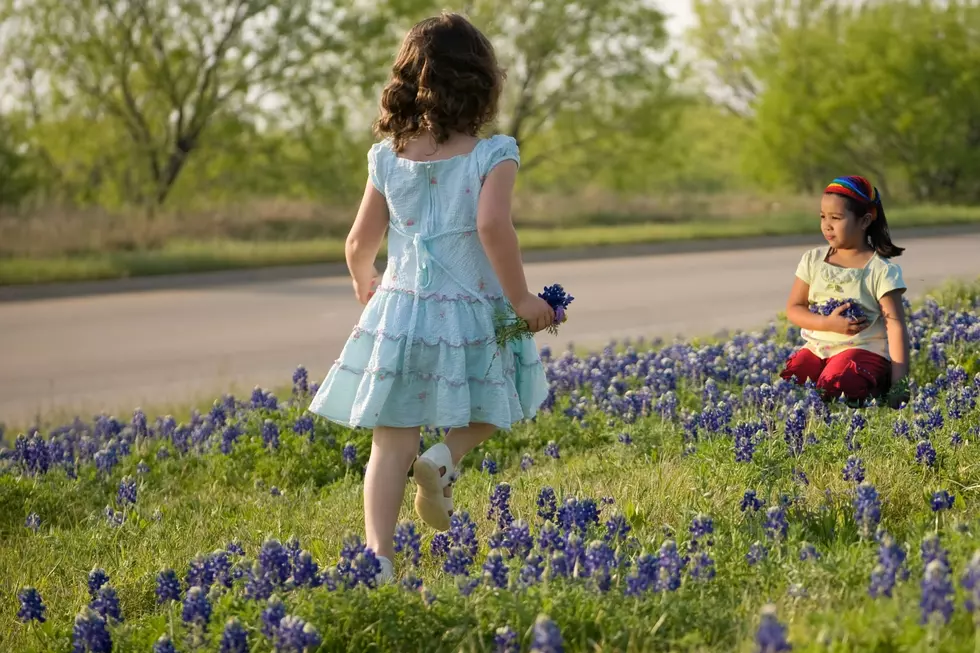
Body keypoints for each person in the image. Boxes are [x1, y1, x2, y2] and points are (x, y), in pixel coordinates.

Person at [307, 13, 554, 584]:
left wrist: (365, 285)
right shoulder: (493, 154)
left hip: (398, 308)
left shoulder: (387, 157)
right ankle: (445, 458)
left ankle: (378, 559)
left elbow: (357, 243)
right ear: (481, 82)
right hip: (466, 308)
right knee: (504, 394)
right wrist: (519, 298)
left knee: (389, 442)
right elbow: (494, 228)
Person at [780, 176, 911, 407]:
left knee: (839, 383)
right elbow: (794, 308)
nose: (826, 225)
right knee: (793, 383)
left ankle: (874, 387)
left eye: (836, 218)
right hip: (817, 348)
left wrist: (899, 383)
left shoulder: (880, 269)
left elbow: (896, 325)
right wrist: (828, 324)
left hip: (863, 350)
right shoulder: (813, 260)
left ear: (864, 221)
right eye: (823, 216)